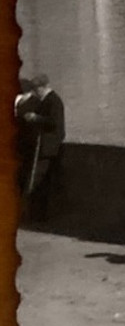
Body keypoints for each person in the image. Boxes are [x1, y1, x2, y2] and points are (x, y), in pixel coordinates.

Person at [17, 74, 66, 220]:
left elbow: (55, 123)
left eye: (36, 90)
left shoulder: (54, 101)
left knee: (36, 179)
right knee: (40, 182)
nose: (34, 93)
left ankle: (33, 214)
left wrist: (36, 118)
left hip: (48, 147)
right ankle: (37, 214)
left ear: (42, 87)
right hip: (43, 146)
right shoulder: (45, 101)